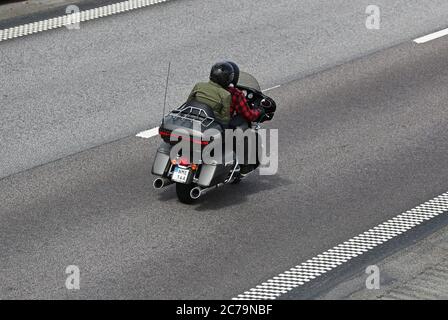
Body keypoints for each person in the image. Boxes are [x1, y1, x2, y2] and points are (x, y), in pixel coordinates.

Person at [187, 62, 235, 126]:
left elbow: (188, 102)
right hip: (209, 123)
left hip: (191, 117)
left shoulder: (198, 85)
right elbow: (224, 119)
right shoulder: (226, 94)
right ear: (227, 79)